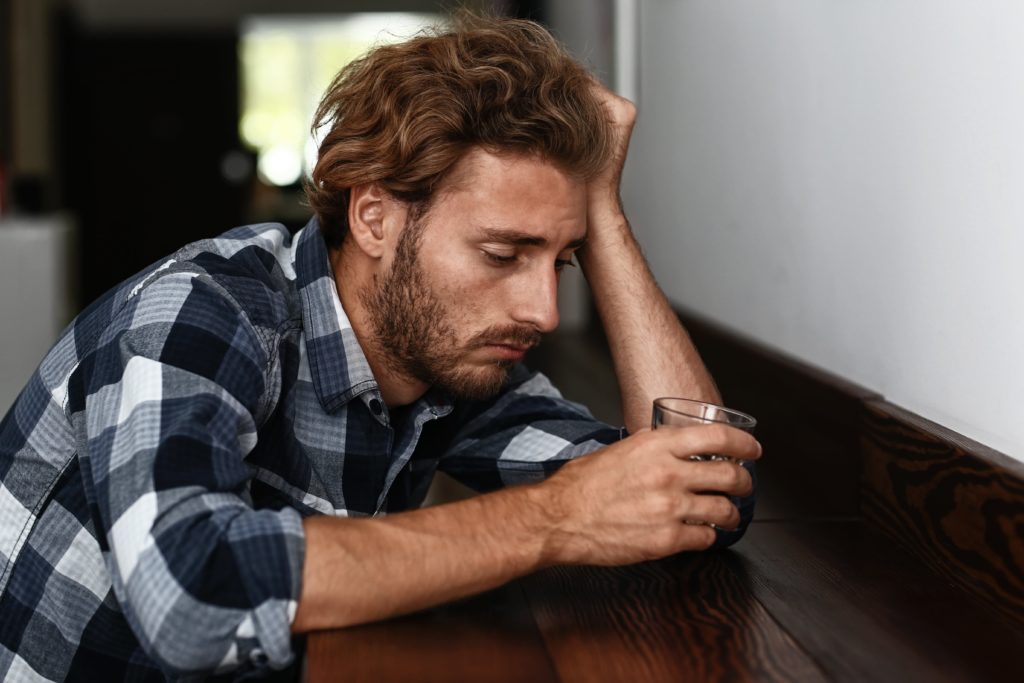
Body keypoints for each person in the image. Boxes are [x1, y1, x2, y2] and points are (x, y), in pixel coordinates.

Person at [0, 14, 759, 682]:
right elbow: (190, 592)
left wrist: (603, 212)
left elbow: (700, 488)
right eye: (501, 254)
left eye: (560, 260)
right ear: (373, 219)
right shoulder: (202, 309)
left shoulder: (449, 361)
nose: (542, 312)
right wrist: (557, 516)